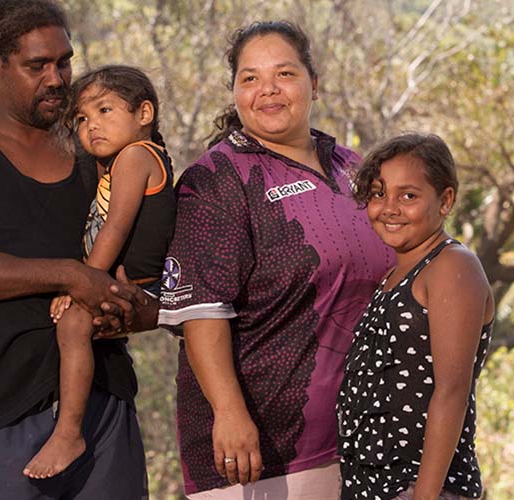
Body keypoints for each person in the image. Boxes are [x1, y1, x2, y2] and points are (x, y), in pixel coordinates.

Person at [0, 1, 148, 498]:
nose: (58, 78)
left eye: (64, 62)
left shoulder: (95, 152)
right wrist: (72, 275)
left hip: (103, 409)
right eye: (37, 65)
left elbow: (143, 274)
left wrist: (132, 309)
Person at [155, 20, 395, 499]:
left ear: (314, 84)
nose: (267, 89)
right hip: (263, 449)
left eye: (284, 74)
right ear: (235, 92)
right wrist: (229, 411)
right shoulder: (218, 179)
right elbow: (201, 310)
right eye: (250, 78)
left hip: (365, 437)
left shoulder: (356, 167)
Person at [23, 65, 177, 479]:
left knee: (72, 324)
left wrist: (80, 285)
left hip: (132, 284)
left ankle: (68, 432)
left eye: (105, 111)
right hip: (119, 282)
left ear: (144, 113)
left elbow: (115, 229)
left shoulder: (136, 157)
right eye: (83, 119)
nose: (92, 127)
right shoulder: (116, 163)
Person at [336, 133, 494, 500]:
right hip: (372, 485)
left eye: (408, 196)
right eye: (378, 193)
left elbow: (451, 391)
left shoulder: (451, 266)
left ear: (446, 200)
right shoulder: (394, 276)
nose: (390, 207)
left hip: (421, 486)